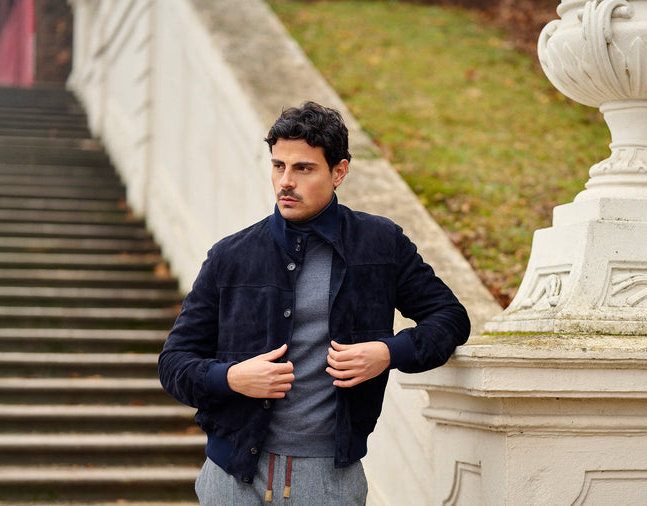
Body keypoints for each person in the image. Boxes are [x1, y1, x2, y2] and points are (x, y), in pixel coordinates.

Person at [158, 101, 470, 505]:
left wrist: (387, 353)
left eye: (303, 168)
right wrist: (231, 377)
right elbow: (174, 362)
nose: (286, 181)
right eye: (278, 166)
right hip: (232, 479)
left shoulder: (380, 244)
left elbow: (450, 317)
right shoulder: (230, 256)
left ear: (339, 172)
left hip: (330, 480)